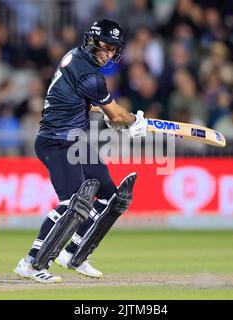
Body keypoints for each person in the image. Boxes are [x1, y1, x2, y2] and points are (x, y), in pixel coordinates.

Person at [13, 19, 147, 283]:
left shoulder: (75, 57)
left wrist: (114, 117)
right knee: (72, 203)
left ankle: (74, 253)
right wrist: (133, 121)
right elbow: (117, 113)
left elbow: (81, 102)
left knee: (110, 197)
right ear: (93, 41)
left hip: (76, 141)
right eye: (105, 47)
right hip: (56, 141)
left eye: (113, 49)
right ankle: (29, 262)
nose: (108, 54)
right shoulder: (89, 74)